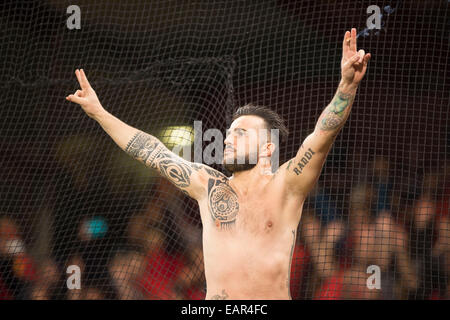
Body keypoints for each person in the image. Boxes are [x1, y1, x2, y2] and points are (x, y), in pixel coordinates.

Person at [66, 28, 371, 299]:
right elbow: (151, 151)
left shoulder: (287, 184)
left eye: (240, 133)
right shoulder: (209, 184)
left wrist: (347, 86)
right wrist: (100, 113)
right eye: (228, 133)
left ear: (268, 148)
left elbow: (320, 137)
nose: (227, 139)